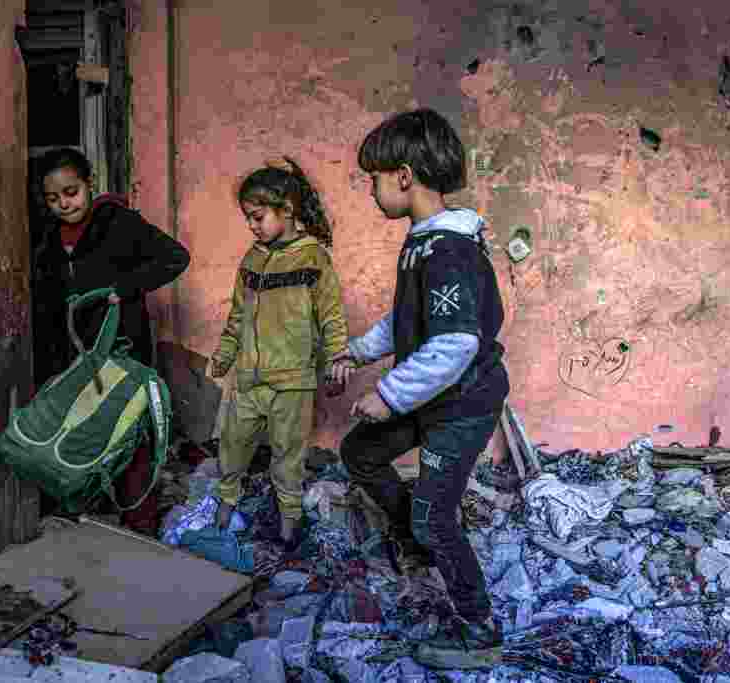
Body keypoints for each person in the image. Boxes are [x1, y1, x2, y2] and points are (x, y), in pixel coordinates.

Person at [331, 109, 509, 670]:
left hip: (461, 403)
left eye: (375, 179)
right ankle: (413, 539)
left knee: (438, 514)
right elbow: (408, 320)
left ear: (404, 176)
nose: (371, 190)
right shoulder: (423, 242)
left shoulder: (448, 250)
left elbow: (453, 346)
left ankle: (479, 631)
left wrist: (387, 394)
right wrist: (354, 353)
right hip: (433, 395)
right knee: (360, 451)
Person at [33, 147, 190, 532]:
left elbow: (175, 257)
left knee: (132, 434)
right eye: (53, 198)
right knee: (80, 434)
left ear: (89, 185)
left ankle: (141, 525)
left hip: (122, 350)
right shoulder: (49, 240)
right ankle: (83, 515)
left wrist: (126, 287)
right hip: (76, 357)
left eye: (71, 192)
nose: (63, 204)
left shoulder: (119, 223)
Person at [208, 157, 349, 550]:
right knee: (233, 445)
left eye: (257, 217)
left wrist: (338, 358)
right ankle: (225, 506)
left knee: (288, 456)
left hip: (294, 382)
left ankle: (289, 523)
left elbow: (332, 315)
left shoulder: (313, 258)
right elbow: (237, 314)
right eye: (248, 219)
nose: (252, 226)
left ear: (286, 210)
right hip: (250, 378)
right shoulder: (252, 259)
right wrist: (224, 354)